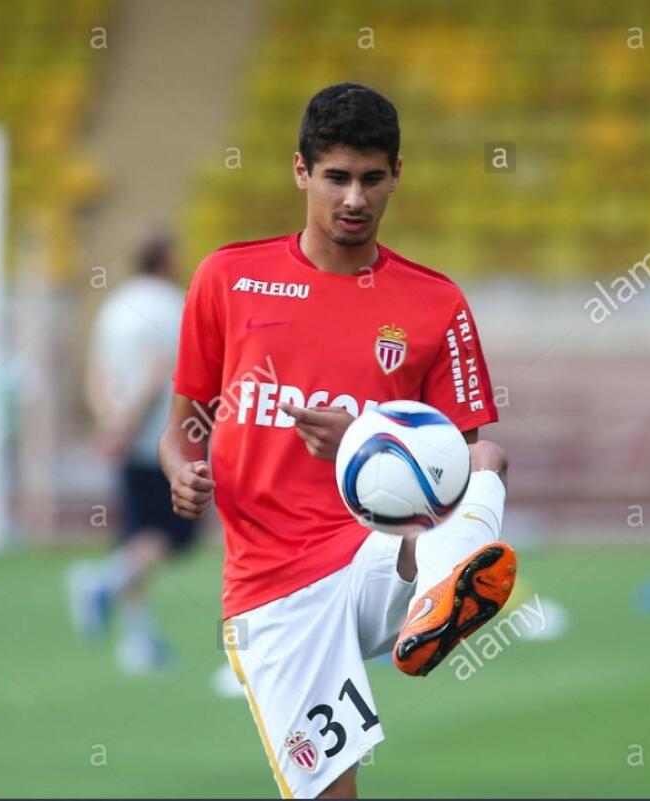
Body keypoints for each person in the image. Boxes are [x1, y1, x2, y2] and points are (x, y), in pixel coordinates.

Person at [159, 84, 516, 798]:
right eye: (337, 177)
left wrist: (361, 439)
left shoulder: (435, 303)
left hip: (376, 551)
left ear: (397, 175)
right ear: (301, 171)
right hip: (276, 587)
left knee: (487, 462)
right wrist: (181, 472)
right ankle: (439, 585)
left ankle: (441, 592)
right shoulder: (229, 279)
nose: (355, 198)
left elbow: (462, 458)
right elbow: (182, 427)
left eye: (372, 178)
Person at [66, 233, 197, 675]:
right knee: (172, 536)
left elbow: (99, 373)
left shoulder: (115, 305)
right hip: (162, 439)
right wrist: (130, 425)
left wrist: (110, 423)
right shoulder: (170, 305)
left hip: (126, 437)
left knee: (136, 537)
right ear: (165, 259)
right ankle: (103, 581)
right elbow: (158, 375)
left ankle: (138, 641)